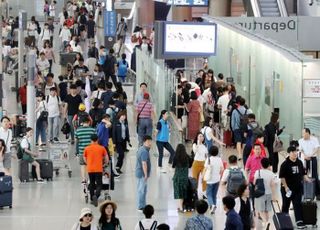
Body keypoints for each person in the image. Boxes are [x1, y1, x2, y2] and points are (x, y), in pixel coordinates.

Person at [280, 146, 311, 229]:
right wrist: (286, 187)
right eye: (293, 152)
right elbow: (282, 177)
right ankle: (284, 223)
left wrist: (307, 179)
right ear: (289, 153)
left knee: (297, 205)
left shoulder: (299, 162)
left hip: (298, 188)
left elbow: (303, 173)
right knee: (286, 205)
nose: (295, 153)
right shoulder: (285, 164)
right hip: (287, 189)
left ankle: (299, 222)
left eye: (296, 151)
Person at [83, 134, 109, 207]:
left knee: (91, 183)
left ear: (90, 140)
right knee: (99, 184)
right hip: (98, 169)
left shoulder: (87, 148)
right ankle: (96, 195)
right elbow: (106, 159)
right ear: (97, 140)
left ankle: (91, 198)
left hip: (90, 169)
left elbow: (84, 159)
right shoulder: (102, 148)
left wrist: (88, 163)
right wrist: (104, 164)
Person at [298, 128, 320, 198]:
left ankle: (317, 193)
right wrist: (305, 156)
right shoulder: (300, 140)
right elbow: (301, 150)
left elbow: (317, 148)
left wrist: (311, 155)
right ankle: (303, 192)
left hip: (313, 158)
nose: (302, 134)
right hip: (305, 159)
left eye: (303, 133)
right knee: (303, 174)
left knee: (314, 175)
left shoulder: (314, 139)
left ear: (307, 133)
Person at [253, 158, 274, 229]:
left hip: (260, 194)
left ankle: (266, 222)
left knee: (260, 210)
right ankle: (267, 224)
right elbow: (272, 185)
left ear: (261, 164)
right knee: (267, 210)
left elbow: (254, 182)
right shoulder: (271, 173)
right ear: (268, 165)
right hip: (269, 193)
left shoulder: (257, 172)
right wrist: (274, 196)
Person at [75, 117, 96, 184]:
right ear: (89, 122)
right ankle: (90, 179)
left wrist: (76, 152)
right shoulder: (93, 130)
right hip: (91, 151)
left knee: (83, 165)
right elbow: (96, 140)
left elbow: (76, 142)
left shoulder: (78, 130)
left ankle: (84, 180)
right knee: (90, 165)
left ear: (82, 123)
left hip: (82, 151)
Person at [205, 146, 224, 214]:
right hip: (217, 179)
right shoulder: (219, 159)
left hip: (210, 180)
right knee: (214, 194)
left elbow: (206, 168)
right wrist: (219, 175)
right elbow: (222, 169)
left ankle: (212, 205)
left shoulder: (208, 159)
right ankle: (214, 207)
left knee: (208, 194)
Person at [135, 135, 152, 211]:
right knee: (142, 190)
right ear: (144, 142)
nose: (150, 143)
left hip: (140, 173)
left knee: (143, 190)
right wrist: (145, 174)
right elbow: (144, 163)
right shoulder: (144, 151)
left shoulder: (141, 149)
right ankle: (141, 206)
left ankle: (143, 205)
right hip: (142, 174)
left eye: (150, 141)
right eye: (148, 142)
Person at [172, 144, 189, 212]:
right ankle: (180, 206)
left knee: (179, 193)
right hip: (184, 178)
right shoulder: (187, 157)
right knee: (183, 193)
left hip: (177, 178)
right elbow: (190, 165)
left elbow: (173, 167)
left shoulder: (175, 157)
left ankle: (181, 207)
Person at [191, 132, 208, 197]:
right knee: (195, 179)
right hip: (196, 163)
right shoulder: (195, 145)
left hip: (203, 163)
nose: (201, 138)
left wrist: (207, 163)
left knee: (204, 179)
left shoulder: (205, 146)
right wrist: (198, 143)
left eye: (202, 136)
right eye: (200, 136)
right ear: (197, 137)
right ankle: (195, 192)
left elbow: (206, 155)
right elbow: (195, 151)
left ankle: (204, 192)